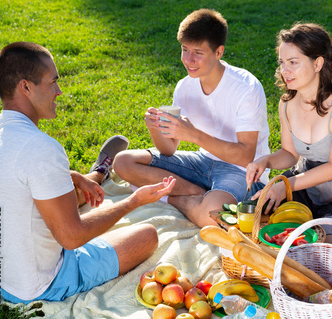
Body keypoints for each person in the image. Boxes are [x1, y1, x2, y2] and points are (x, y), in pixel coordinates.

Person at [0, 42, 176, 304]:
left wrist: (71, 176)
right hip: (39, 285)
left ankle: (96, 175)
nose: (59, 91)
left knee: (55, 192)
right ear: (26, 87)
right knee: (147, 235)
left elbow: (14, 178)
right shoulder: (42, 148)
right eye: (52, 82)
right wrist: (133, 201)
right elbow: (71, 237)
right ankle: (98, 174)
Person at [113, 9, 270, 228]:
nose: (188, 60)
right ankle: (197, 194)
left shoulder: (246, 87)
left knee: (211, 216)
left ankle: (173, 198)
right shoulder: (184, 87)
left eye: (198, 52)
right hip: (202, 163)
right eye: (184, 50)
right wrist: (155, 129)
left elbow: (245, 156)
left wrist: (193, 134)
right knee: (123, 162)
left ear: (219, 52)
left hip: (242, 172)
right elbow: (168, 150)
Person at [246, 23, 332, 243]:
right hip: (307, 188)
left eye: (293, 63)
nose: (284, 71)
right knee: (256, 220)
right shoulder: (287, 103)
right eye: (282, 63)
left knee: (316, 248)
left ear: (318, 63)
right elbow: (289, 153)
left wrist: (285, 186)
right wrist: (264, 160)